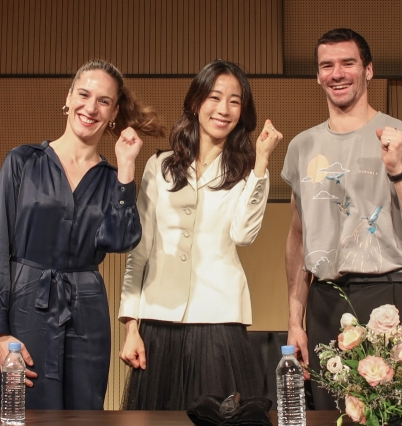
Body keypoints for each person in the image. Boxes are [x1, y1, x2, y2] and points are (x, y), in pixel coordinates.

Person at [0, 59, 166, 410]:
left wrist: (126, 168)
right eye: (84, 94)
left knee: (83, 412)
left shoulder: (113, 179)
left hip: (87, 310)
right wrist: (0, 332)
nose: (91, 107)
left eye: (104, 101)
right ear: (68, 98)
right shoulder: (23, 162)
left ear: (113, 114)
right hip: (26, 306)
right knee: (24, 409)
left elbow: (122, 239)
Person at [281, 28, 402, 409]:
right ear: (318, 75)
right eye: (327, 65)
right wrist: (295, 319)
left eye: (348, 63)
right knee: (329, 413)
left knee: (393, 413)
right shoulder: (302, 146)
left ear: (368, 70)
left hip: (389, 293)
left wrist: (397, 170)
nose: (337, 73)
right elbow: (298, 237)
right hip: (324, 302)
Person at [118, 60, 283, 410]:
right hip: (159, 320)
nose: (223, 109)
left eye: (235, 101)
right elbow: (139, 251)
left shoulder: (244, 171)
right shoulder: (159, 166)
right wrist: (132, 325)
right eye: (214, 97)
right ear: (195, 103)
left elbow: (244, 234)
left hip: (219, 319)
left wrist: (262, 165)